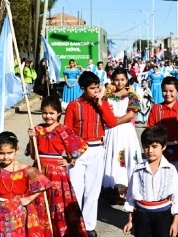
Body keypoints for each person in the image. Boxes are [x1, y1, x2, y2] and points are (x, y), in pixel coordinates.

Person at [0, 132, 53, 236]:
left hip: (19, 212)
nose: (6, 157)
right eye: (2, 153)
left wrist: (29, 198)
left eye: (9, 153)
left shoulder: (26, 169)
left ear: (16, 150)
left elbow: (44, 184)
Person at [64, 71, 118, 237]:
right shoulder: (74, 105)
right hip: (78, 151)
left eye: (97, 87)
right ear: (83, 88)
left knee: (93, 191)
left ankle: (89, 226)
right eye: (92, 88)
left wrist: (101, 103)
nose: (96, 91)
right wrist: (70, 154)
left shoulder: (102, 103)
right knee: (76, 189)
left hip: (97, 149)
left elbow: (112, 122)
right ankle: (74, 225)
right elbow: (67, 130)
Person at [27, 96, 88, 237]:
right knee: (39, 203)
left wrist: (70, 160)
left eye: (51, 113)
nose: (48, 116)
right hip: (39, 171)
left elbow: (82, 146)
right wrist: (31, 138)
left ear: (59, 113)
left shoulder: (63, 130)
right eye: (45, 113)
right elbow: (32, 154)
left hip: (57, 174)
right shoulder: (37, 130)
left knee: (56, 204)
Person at [123, 126, 178, 237]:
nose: (150, 150)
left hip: (163, 216)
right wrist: (130, 221)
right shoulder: (138, 170)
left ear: (164, 146)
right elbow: (130, 198)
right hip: (142, 215)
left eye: (154, 146)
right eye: (146, 147)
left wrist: (175, 223)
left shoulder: (170, 169)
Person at [102, 68, 143, 204]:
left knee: (126, 158)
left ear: (126, 80)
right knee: (111, 158)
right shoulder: (107, 96)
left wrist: (116, 122)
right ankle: (111, 191)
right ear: (112, 80)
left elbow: (132, 114)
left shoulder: (132, 96)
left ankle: (127, 192)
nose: (119, 82)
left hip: (125, 130)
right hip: (111, 131)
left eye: (122, 79)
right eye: (117, 80)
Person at [147, 77, 178, 179]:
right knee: (160, 180)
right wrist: (162, 150)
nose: (168, 94)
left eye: (171, 91)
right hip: (160, 151)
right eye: (164, 91)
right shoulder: (156, 109)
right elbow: (150, 131)